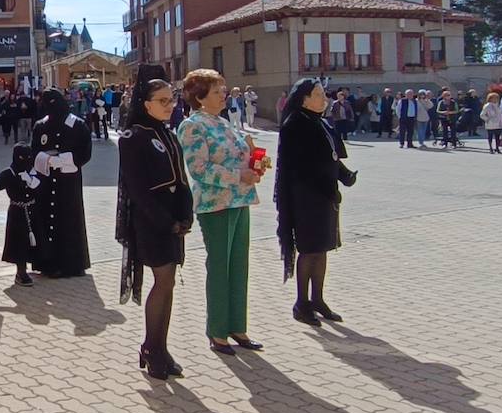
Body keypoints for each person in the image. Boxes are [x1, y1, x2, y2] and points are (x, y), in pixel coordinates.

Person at [178, 69, 265, 356]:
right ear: (200, 97)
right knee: (220, 267)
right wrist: (239, 175)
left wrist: (255, 164)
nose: (223, 94)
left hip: (240, 200)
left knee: (239, 266)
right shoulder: (193, 126)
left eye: (223, 89)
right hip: (215, 204)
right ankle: (217, 331)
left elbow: (240, 155)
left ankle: (237, 326)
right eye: (216, 91)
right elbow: (199, 170)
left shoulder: (224, 122)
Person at [116, 66, 193, 379]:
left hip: (174, 219)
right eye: (162, 100)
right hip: (151, 221)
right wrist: (166, 222)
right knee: (162, 282)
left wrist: (186, 214)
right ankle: (152, 346)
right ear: (145, 104)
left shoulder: (169, 134)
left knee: (169, 282)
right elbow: (137, 189)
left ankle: (158, 348)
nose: (169, 105)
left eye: (171, 99)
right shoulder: (134, 138)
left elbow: (182, 179)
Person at [275, 77, 356, 326]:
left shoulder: (321, 123)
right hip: (306, 198)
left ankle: (318, 299)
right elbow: (299, 167)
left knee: (322, 249)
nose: (325, 99)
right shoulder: (295, 124)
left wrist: (344, 175)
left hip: (325, 198)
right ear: (305, 98)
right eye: (319, 94)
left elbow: (330, 158)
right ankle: (302, 303)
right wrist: (323, 186)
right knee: (309, 250)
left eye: (324, 94)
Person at [30, 88, 92, 279]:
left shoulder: (77, 125)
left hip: (68, 182)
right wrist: (46, 160)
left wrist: (64, 160)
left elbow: (85, 153)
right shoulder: (41, 125)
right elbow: (35, 150)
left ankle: (73, 263)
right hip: (47, 180)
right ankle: (48, 262)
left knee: (69, 219)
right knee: (48, 219)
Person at [0, 143, 41, 288]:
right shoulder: (10, 173)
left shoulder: (32, 172)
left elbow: (40, 186)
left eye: (28, 157)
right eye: (22, 157)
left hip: (33, 210)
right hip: (17, 211)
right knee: (19, 243)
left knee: (34, 241)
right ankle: (21, 272)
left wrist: (31, 180)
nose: (25, 160)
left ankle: (39, 264)